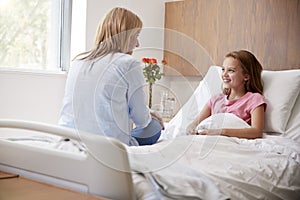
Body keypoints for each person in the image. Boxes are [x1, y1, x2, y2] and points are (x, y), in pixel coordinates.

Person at [58, 7, 164, 146]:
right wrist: (150, 115)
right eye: (136, 36)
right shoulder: (128, 63)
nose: (137, 44)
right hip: (108, 146)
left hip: (68, 139)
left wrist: (146, 112)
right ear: (125, 35)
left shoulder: (77, 62)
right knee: (154, 127)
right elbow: (142, 120)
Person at [186, 50, 266, 139]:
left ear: (246, 76)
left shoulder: (254, 99)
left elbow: (256, 132)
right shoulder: (215, 100)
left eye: (231, 70)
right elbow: (194, 124)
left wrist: (221, 132)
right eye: (223, 69)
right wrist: (191, 130)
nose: (224, 74)